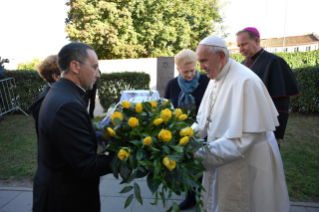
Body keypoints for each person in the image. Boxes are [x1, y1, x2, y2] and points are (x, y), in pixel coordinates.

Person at [193, 36, 290, 212]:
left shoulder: (246, 81)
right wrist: (181, 139)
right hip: (222, 157)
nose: (201, 67)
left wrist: (196, 156)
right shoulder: (215, 77)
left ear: (221, 56)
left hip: (250, 162)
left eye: (204, 61)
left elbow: (241, 141)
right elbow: (202, 122)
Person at [33, 43, 114, 212]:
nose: (97, 74)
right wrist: (129, 154)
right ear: (75, 66)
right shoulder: (67, 104)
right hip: (66, 201)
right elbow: (87, 166)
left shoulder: (61, 92)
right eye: (94, 67)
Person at [236, 27, 300, 147]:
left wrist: (276, 134)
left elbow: (281, 103)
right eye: (239, 46)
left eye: (244, 44)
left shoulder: (275, 62)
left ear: (256, 41)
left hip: (266, 128)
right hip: (246, 127)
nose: (241, 49)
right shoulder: (243, 65)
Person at [164, 49, 210, 210]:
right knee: (187, 167)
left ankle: (204, 198)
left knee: (204, 167)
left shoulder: (207, 82)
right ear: (178, 70)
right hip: (182, 134)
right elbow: (167, 109)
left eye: (192, 70)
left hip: (204, 132)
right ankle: (190, 197)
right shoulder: (172, 85)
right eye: (185, 72)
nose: (190, 74)